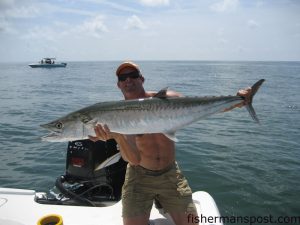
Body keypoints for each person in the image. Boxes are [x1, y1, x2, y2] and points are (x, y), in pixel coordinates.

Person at [89, 61, 252, 225]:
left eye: (133, 76)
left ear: (142, 79)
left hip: (170, 175)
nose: (128, 80)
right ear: (118, 84)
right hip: (139, 178)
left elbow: (204, 106)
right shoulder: (117, 117)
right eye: (123, 77)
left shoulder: (168, 99)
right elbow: (134, 160)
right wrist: (117, 136)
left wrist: (237, 100)